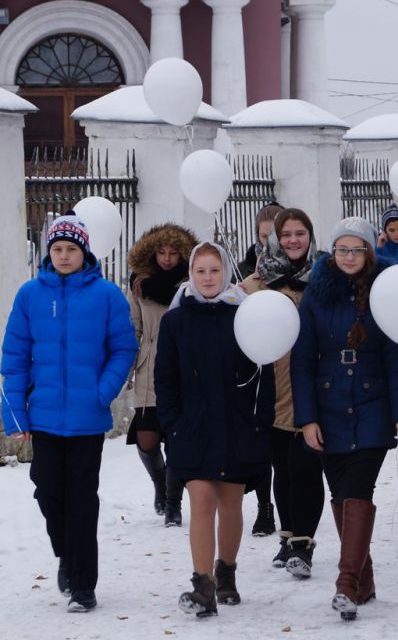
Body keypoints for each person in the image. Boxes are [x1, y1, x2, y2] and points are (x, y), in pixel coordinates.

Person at [1, 214, 137, 613]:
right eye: (57, 249)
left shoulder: (107, 295)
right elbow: (14, 357)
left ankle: (83, 583)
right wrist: (15, 414)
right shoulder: (30, 295)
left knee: (81, 499)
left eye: (71, 249)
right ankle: (67, 554)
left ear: (84, 252)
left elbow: (124, 350)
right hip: (42, 416)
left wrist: (102, 392)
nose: (63, 255)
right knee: (47, 490)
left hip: (86, 418)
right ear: (49, 252)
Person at [291, 217, 398, 621]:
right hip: (327, 408)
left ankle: (345, 583)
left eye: (356, 250)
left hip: (372, 405)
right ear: (332, 252)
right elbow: (302, 360)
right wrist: (307, 418)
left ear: (368, 252)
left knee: (359, 490)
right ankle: (365, 579)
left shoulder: (384, 291)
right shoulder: (316, 293)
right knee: (341, 494)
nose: (349, 257)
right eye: (342, 249)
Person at [155, 242, 274, 618]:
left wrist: (260, 419)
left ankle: (227, 571)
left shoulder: (244, 315)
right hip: (193, 428)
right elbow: (165, 377)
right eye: (201, 271)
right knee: (201, 502)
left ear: (226, 272)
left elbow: (265, 370)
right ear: (190, 274)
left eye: (215, 271)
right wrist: (173, 423)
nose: (208, 278)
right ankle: (203, 585)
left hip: (238, 425)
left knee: (231, 504)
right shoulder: (175, 321)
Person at [240, 208, 327, 572]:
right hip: (271, 388)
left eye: (300, 233)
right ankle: (288, 537)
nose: (293, 240)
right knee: (283, 469)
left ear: (310, 237)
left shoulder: (324, 277)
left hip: (313, 385)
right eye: (286, 234)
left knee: (307, 466)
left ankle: (303, 545)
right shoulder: (255, 283)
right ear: (275, 238)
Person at [126, 223, 196, 526]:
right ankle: (161, 480)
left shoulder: (192, 283)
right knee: (146, 439)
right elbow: (133, 327)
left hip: (184, 368)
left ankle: (172, 503)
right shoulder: (139, 284)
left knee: (178, 440)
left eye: (173, 253)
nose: (167, 258)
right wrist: (127, 362)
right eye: (161, 252)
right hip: (149, 368)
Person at [237, 202, 284, 279]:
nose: (269, 242)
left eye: (275, 236)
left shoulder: (304, 269)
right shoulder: (242, 271)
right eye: (264, 236)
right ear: (258, 236)